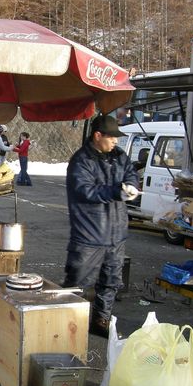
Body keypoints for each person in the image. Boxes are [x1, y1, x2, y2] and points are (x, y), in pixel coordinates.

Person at [63, 114, 139, 337]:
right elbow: (85, 190)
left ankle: (101, 321)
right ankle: (67, 325)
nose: (116, 141)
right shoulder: (81, 161)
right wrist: (117, 191)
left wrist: (131, 185)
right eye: (112, 137)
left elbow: (131, 173)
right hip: (89, 235)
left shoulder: (119, 156)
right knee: (77, 284)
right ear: (98, 136)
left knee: (111, 282)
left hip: (116, 234)